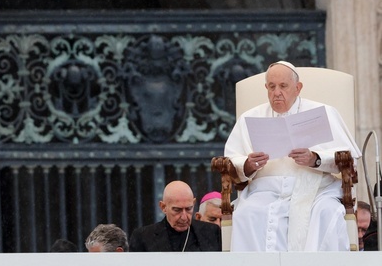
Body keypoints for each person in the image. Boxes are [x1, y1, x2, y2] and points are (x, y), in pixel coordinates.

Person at [224, 61, 361, 251]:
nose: (277, 92)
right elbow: (231, 160)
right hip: (266, 190)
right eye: (271, 87)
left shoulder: (323, 112)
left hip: (316, 189)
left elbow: (348, 157)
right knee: (247, 214)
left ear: (298, 88)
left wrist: (315, 159)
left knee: (328, 212)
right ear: (266, 88)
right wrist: (249, 165)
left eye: (283, 86)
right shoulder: (250, 118)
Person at [129, 180, 221, 252]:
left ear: (193, 203)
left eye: (189, 209)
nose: (184, 217)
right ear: (163, 207)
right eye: (177, 210)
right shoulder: (143, 237)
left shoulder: (211, 232)